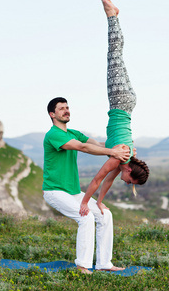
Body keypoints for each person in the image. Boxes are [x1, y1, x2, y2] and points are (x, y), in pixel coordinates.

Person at [79, 0, 150, 217]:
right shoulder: (118, 157)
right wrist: (84, 203)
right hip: (120, 101)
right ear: (129, 170)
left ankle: (114, 18)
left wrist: (99, 202)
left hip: (128, 103)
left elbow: (107, 182)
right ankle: (112, 15)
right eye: (131, 182)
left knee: (119, 57)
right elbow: (97, 179)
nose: (128, 184)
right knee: (115, 54)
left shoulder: (122, 159)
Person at [42, 96, 129, 273]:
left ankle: (104, 264)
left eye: (67, 107)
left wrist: (124, 147)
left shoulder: (73, 133)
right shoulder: (53, 135)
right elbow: (83, 148)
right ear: (52, 114)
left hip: (73, 191)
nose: (66, 110)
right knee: (86, 217)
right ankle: (82, 265)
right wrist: (112, 152)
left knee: (105, 215)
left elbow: (97, 145)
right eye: (61, 108)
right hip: (54, 191)